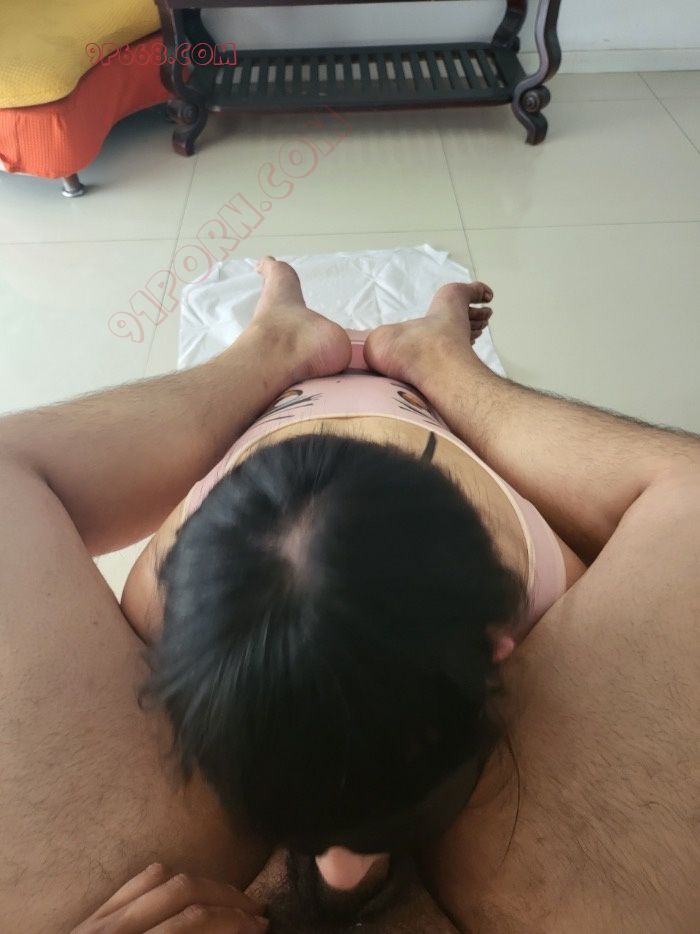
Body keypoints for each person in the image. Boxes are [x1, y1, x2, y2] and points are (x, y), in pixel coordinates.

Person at [0, 257, 697, 933]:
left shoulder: (165, 618)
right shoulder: (541, 585)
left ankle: (274, 354)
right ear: (503, 647)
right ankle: (439, 366)